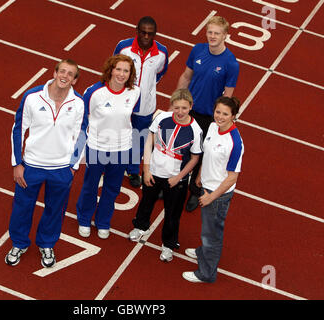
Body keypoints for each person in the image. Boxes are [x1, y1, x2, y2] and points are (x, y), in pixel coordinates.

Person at [5, 59, 87, 268]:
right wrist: (17, 164)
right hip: (31, 165)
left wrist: (72, 166)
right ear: (54, 72)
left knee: (55, 209)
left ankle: (47, 244)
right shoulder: (32, 97)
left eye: (70, 74)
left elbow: (82, 134)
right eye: (62, 71)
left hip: (61, 169)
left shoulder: (78, 103)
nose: (65, 76)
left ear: (75, 80)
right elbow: (18, 129)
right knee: (22, 207)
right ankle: (19, 243)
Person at [128, 88, 202, 262]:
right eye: (177, 107)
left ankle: (168, 244)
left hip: (177, 179)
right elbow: (149, 140)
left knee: (172, 213)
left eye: (184, 108)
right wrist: (146, 169)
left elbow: (194, 158)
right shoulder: (162, 118)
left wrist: (179, 177)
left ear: (191, 107)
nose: (180, 112)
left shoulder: (195, 130)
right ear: (172, 105)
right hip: (153, 172)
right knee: (146, 202)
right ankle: (141, 226)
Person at [176, 16, 239, 212]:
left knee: (201, 155)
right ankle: (176, 184)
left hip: (208, 117)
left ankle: (195, 190)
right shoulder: (198, 50)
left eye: (217, 33)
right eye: (210, 32)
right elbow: (186, 76)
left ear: (225, 36)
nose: (212, 36)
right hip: (188, 110)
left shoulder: (231, 64)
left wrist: (220, 121)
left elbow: (228, 96)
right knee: (181, 149)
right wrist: (176, 103)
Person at [76, 54, 141, 239]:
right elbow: (83, 119)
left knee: (112, 187)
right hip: (97, 147)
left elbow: (131, 117)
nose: (121, 74)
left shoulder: (135, 92)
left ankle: (103, 221)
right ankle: (84, 218)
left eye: (126, 71)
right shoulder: (94, 92)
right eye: (118, 69)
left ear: (131, 74)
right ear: (110, 70)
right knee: (90, 185)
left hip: (122, 148)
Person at [182, 96, 244, 283]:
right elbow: (207, 154)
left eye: (225, 114)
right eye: (218, 112)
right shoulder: (212, 126)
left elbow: (232, 177)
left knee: (212, 234)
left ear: (234, 116)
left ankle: (207, 273)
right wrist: (200, 175)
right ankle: (203, 252)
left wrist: (211, 197)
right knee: (207, 229)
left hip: (217, 194)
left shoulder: (235, 142)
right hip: (207, 185)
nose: (220, 116)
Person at [114, 16, 168, 188]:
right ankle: (112, 164)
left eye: (150, 34)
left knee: (139, 138)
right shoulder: (124, 47)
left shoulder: (162, 52)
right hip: (122, 101)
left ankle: (132, 170)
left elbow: (160, 72)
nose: (146, 36)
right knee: (116, 132)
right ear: (137, 31)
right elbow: (113, 68)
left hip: (146, 104)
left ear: (155, 34)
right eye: (143, 32)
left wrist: (147, 88)